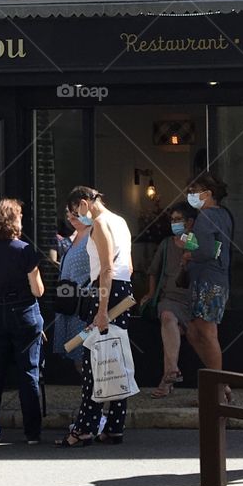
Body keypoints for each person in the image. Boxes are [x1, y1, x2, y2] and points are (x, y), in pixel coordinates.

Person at [56, 185, 133, 448]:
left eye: (76, 209)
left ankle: (84, 428)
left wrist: (101, 310)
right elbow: (128, 266)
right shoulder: (120, 221)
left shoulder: (99, 223)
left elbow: (106, 268)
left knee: (93, 363)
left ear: (84, 203)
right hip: (122, 290)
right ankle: (114, 427)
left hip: (104, 290)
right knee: (114, 360)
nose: (77, 215)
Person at [0, 199, 45, 445]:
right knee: (28, 373)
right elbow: (38, 291)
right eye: (20, 215)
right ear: (14, 220)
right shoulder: (25, 250)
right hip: (23, 313)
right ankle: (32, 433)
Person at [179, 171, 234, 399]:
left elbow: (206, 250)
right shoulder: (224, 215)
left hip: (207, 280)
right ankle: (220, 382)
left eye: (193, 191)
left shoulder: (206, 216)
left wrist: (188, 254)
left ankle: (217, 390)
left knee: (206, 332)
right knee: (193, 331)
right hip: (213, 278)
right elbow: (214, 246)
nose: (190, 194)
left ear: (208, 193)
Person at [145, 202, 193, 398]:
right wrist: (150, 293)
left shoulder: (197, 243)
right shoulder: (166, 244)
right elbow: (153, 271)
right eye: (172, 220)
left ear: (189, 222)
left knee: (171, 335)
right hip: (169, 298)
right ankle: (170, 374)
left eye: (178, 220)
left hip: (192, 300)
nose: (175, 224)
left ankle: (169, 377)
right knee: (167, 317)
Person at [52, 208, 92, 368]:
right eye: (68, 212)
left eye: (74, 211)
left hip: (83, 307)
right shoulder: (73, 238)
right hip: (70, 305)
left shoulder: (94, 234)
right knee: (77, 359)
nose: (69, 216)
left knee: (84, 356)